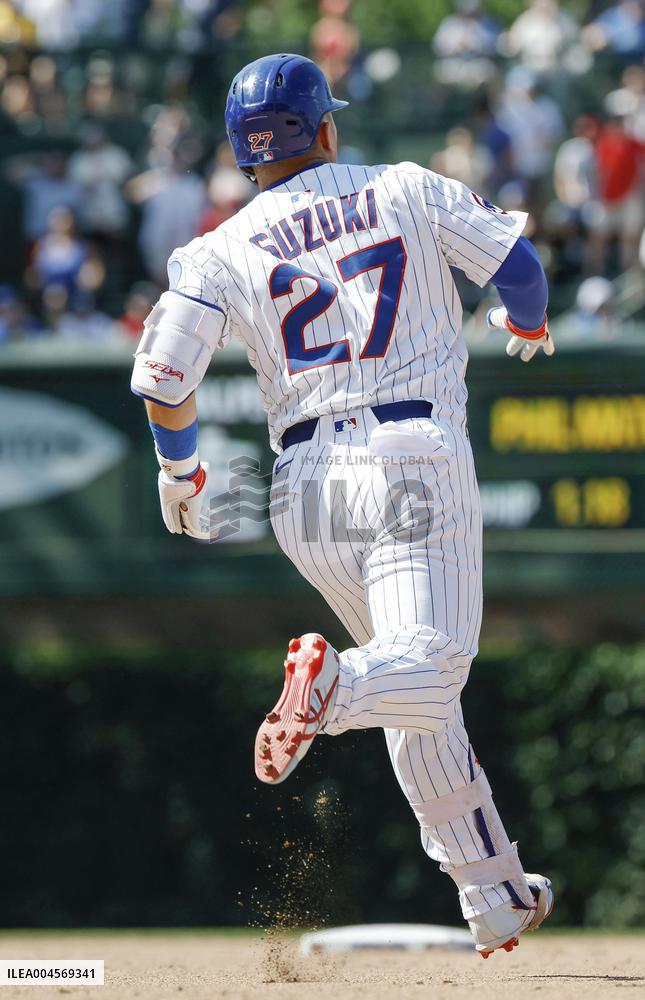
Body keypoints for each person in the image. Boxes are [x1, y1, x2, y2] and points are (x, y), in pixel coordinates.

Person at [130, 53, 554, 957]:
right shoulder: (404, 185)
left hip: (303, 487)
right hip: (408, 454)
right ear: (325, 127)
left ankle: (492, 894)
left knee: (417, 695)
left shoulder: (217, 246)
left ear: (243, 152)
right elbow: (518, 267)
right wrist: (525, 321)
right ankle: (333, 689)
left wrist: (180, 474)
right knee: (430, 667)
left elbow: (164, 378)